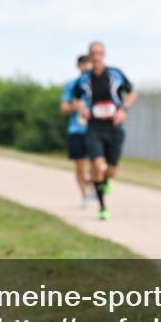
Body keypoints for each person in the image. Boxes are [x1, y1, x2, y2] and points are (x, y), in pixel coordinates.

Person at [73, 41, 135, 220]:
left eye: (100, 53)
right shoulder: (84, 79)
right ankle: (102, 207)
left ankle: (106, 181)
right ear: (90, 55)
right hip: (94, 128)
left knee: (111, 170)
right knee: (98, 166)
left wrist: (123, 110)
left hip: (114, 127)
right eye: (93, 53)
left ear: (104, 54)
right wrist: (82, 109)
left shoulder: (116, 74)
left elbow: (131, 93)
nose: (96, 56)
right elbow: (76, 99)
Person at [61, 54, 95, 208]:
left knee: (96, 162)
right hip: (76, 129)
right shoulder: (71, 84)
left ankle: (94, 184)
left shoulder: (97, 83)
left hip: (95, 128)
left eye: (89, 63)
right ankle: (84, 195)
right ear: (78, 66)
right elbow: (64, 107)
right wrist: (78, 107)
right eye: (83, 64)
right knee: (80, 165)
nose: (87, 67)